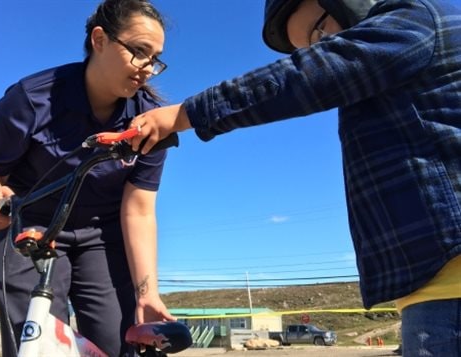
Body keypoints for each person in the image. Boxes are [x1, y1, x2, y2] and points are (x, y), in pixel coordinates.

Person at [129, 0, 461, 355]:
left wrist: (186, 113)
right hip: (435, 285)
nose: (320, 50)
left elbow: (304, 76)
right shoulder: (395, 64)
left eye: (317, 35)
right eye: (310, 47)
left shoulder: (414, 21)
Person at [0, 1, 175, 355]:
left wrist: (147, 293)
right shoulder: (31, 99)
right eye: (139, 52)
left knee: (116, 340)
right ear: (99, 40)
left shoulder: (149, 122)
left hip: (102, 235)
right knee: (38, 341)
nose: (147, 68)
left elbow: (138, 210)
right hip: (30, 226)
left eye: (154, 59)